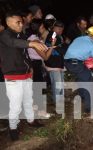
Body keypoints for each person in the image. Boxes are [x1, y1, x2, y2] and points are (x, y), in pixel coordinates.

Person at [0, 11, 47, 141]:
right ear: (9, 22)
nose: (21, 24)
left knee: (28, 100)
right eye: (18, 22)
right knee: (15, 105)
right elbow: (13, 43)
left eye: (21, 21)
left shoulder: (20, 35)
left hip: (26, 74)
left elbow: (24, 54)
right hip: (13, 76)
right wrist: (31, 43)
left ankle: (31, 120)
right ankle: (13, 128)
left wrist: (30, 67)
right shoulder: (4, 35)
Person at [64, 26, 93, 113]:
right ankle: (89, 107)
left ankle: (82, 96)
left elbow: (79, 50)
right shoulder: (92, 44)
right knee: (88, 81)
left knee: (81, 78)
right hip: (76, 63)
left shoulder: (78, 39)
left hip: (67, 62)